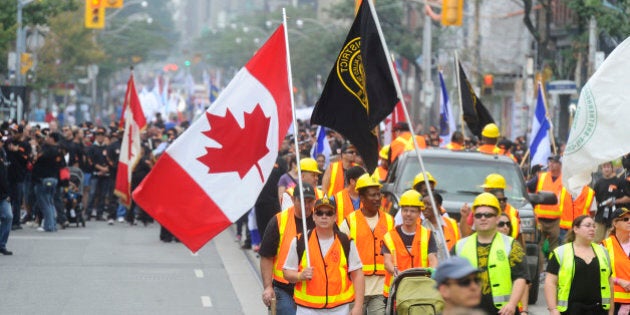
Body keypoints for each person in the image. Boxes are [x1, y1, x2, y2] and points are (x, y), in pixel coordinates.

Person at [283, 196, 364, 315]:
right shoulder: (300, 241)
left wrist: (358, 306)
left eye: (329, 213)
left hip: (339, 310)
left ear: (335, 217)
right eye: (320, 213)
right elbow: (286, 272)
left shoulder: (345, 241)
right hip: (307, 309)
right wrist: (300, 276)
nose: (324, 216)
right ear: (314, 217)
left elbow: (358, 275)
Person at [453, 193, 529, 315]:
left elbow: (521, 278)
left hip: (503, 312)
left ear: (497, 218)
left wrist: (512, 304)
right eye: (478, 215)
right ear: (474, 219)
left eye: (488, 215)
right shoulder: (460, 246)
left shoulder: (511, 245)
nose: (483, 218)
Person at [340, 173, 394, 314]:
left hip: (381, 288)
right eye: (372, 195)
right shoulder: (349, 222)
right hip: (356, 288)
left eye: (379, 194)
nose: (377, 199)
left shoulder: (390, 221)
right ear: (362, 198)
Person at [259, 184, 316, 315]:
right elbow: (266, 256)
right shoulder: (279, 221)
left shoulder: (320, 219)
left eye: (310, 202)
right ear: (294, 200)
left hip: (312, 289)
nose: (306, 206)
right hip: (284, 288)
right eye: (302, 201)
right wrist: (268, 287)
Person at [544, 215, 614, 315]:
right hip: (570, 310)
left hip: (598, 309)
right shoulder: (561, 252)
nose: (592, 229)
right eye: (588, 225)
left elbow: (609, 283)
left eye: (594, 226)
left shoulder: (603, 251)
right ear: (576, 229)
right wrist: (553, 309)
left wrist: (611, 311)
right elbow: (550, 282)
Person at [382, 190, 438, 298]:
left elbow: (433, 259)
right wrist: (397, 273)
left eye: (412, 211)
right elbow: (387, 261)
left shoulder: (427, 234)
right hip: (396, 291)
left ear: (419, 213)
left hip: (421, 290)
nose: (408, 214)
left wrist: (433, 270)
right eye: (405, 210)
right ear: (401, 212)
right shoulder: (390, 236)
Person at [527, 155, 572, 256]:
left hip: (556, 220)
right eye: (550, 161)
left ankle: (553, 269)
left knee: (555, 248)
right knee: (538, 246)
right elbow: (527, 188)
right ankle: (539, 269)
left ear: (560, 165)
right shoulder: (541, 177)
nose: (551, 164)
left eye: (554, 162)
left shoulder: (565, 180)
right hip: (540, 220)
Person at [31, 132, 65, 232]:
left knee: (44, 203)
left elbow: (36, 161)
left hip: (43, 179)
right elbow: (62, 166)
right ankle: (52, 224)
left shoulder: (47, 150)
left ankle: (49, 226)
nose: (46, 139)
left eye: (49, 137)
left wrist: (34, 151)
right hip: (54, 179)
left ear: (52, 139)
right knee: (50, 202)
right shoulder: (59, 151)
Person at [601, 208, 630, 314]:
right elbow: (598, 273)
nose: (629, 221)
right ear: (615, 223)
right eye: (625, 219)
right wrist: (619, 281)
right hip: (614, 301)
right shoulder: (604, 245)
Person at [593, 161, 630, 243]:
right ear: (601, 169)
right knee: (596, 241)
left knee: (610, 241)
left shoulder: (620, 181)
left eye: (608, 167)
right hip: (600, 217)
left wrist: (615, 201)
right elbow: (595, 200)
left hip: (615, 217)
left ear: (612, 168)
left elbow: (627, 198)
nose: (606, 169)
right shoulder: (598, 183)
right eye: (604, 167)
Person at [422, 193, 460, 261]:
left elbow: (458, 246)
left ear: (438, 206)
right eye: (423, 204)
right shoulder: (420, 226)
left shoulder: (451, 223)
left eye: (428, 204)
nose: (425, 207)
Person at [0, 135, 13, 255]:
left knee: (8, 217)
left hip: (3, 194)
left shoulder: (3, 153)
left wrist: (8, 192)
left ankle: (1, 244)